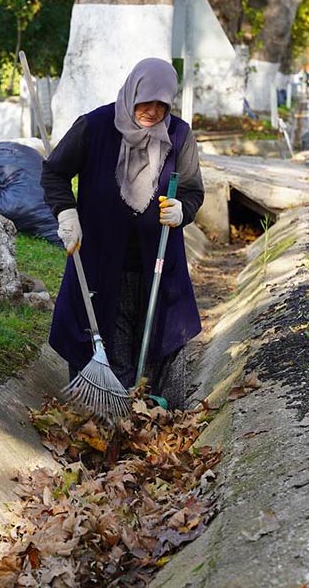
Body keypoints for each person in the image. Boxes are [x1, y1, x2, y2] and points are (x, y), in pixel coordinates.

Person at [41, 57, 205, 393]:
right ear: (133, 93)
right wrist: (65, 212)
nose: (153, 112)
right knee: (99, 333)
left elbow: (191, 190)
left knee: (158, 336)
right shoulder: (96, 126)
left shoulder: (179, 135)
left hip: (156, 263)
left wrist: (182, 210)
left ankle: (150, 413)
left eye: (162, 105)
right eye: (147, 101)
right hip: (101, 258)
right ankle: (106, 413)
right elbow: (54, 173)